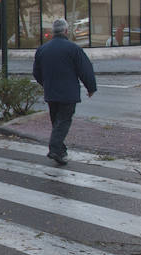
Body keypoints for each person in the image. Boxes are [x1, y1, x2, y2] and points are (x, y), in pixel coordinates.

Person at [32, 18, 97, 165]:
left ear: (52, 32)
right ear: (66, 31)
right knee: (63, 122)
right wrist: (91, 88)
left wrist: (46, 84)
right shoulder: (73, 49)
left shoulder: (42, 49)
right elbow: (85, 69)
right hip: (68, 94)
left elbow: (36, 72)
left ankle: (60, 152)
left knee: (57, 122)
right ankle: (55, 149)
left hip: (51, 93)